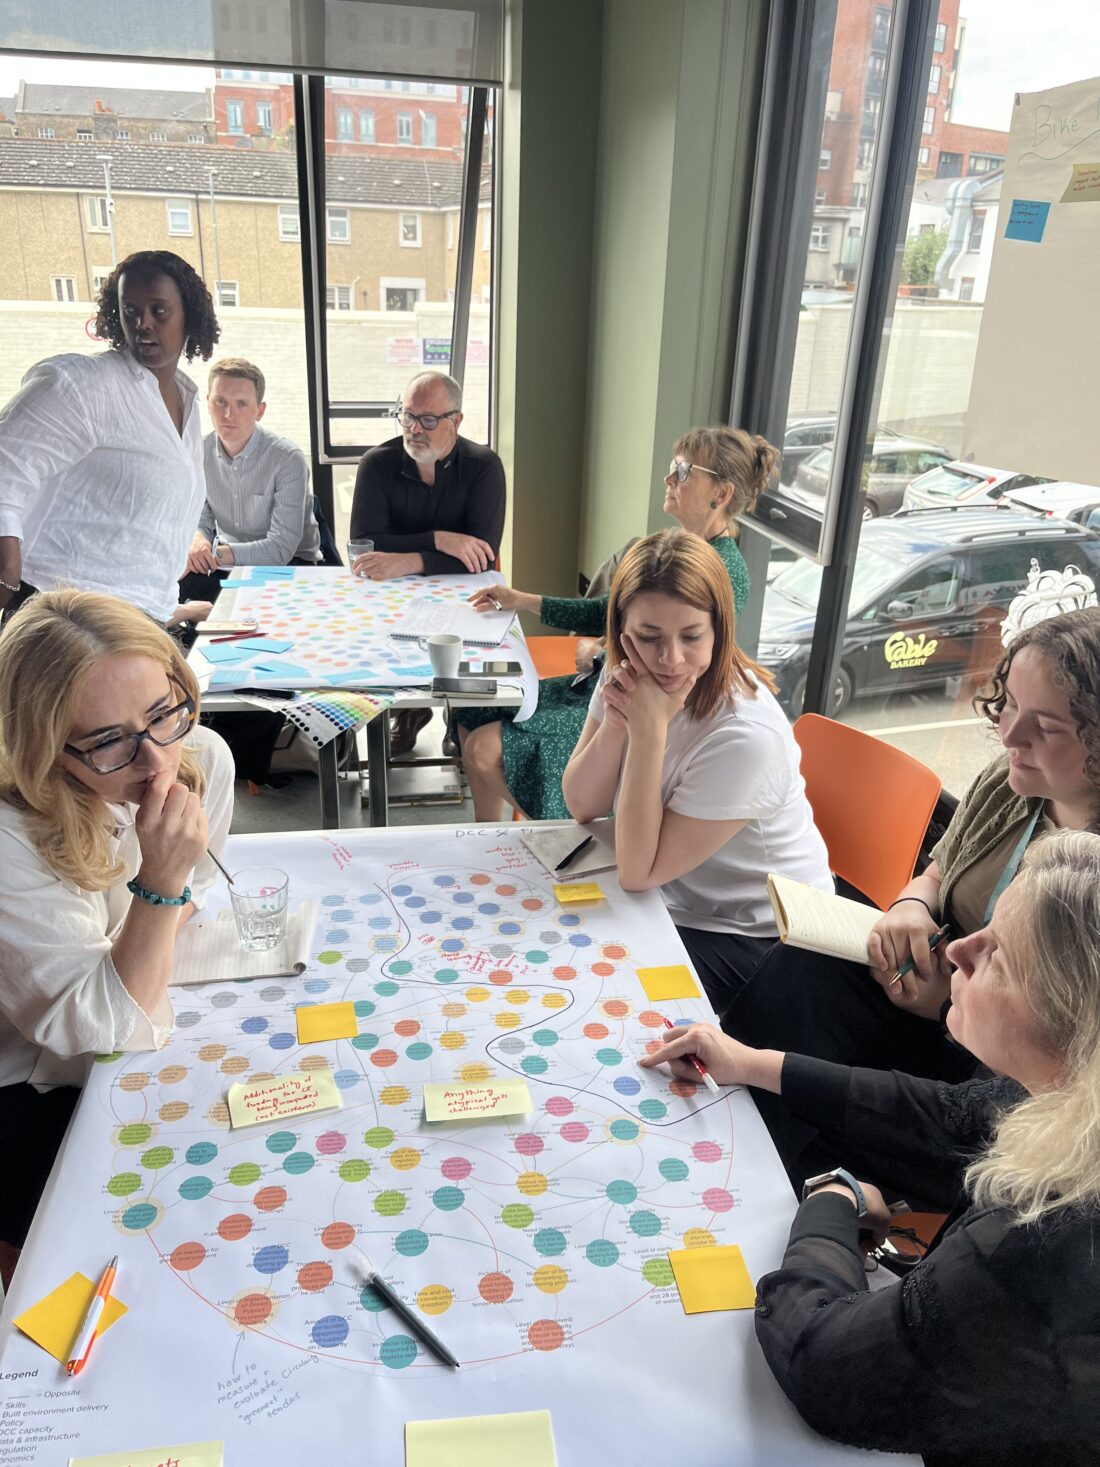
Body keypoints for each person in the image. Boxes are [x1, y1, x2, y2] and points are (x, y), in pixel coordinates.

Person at [642, 831, 1100, 1466]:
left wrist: (833, 1202)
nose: (958, 947)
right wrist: (752, 1063)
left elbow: (822, 1365)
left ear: (1071, 1020)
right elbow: (952, 1116)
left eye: (997, 957)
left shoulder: (1043, 1242)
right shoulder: (1070, 1097)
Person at [726, 606, 1100, 1180]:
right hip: (938, 993)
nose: (1009, 735)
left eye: (1043, 727)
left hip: (996, 1073)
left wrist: (951, 1005)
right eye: (1010, 706)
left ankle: (767, 1170)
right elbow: (938, 870)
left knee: (812, 1097)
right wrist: (910, 906)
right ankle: (724, 1114)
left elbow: (1051, 1068)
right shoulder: (1012, 783)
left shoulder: (1086, 882)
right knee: (802, 967)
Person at [0, 590, 234, 1249]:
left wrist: (147, 932)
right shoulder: (12, 834)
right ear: (43, 747)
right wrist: (158, 884)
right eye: (108, 742)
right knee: (125, 1243)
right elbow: (96, 1029)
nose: (158, 760)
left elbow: (196, 903)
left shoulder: (203, 758)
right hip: (29, 1084)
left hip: (126, 1034)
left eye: (164, 713)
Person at [562, 529, 831, 1004]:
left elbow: (638, 872)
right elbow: (582, 803)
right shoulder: (632, 668)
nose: (670, 659)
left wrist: (649, 731)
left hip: (765, 936)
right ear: (624, 634)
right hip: (681, 900)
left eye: (692, 637)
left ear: (719, 631)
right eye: (649, 637)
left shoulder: (747, 736)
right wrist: (618, 723)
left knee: (596, 987)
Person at [458, 427, 776, 821]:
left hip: (633, 703)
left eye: (683, 470)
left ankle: (559, 831)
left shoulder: (722, 569)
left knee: (484, 747)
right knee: (471, 711)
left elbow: (676, 670)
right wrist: (521, 601)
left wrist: (607, 650)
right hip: (604, 687)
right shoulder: (682, 547)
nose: (668, 479)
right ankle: (490, 835)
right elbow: (608, 611)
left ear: (721, 493)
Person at [0, 250, 220, 625]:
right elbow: (7, 461)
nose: (143, 324)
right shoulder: (86, 384)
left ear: (189, 317)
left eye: (159, 311)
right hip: (67, 621)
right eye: (130, 311)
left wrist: (171, 611)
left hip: (134, 621)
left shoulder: (188, 400)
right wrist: (7, 561)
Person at [349, 371, 507, 755]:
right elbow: (363, 547)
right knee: (378, 648)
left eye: (429, 420)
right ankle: (408, 709)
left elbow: (482, 556)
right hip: (389, 596)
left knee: (464, 646)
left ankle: (460, 717)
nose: (415, 429)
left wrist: (408, 559)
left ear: (456, 421)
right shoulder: (377, 464)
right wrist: (440, 540)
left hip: (462, 595)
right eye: (407, 416)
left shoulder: (484, 466)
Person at [182, 357, 320, 604]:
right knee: (173, 597)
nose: (228, 414)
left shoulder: (288, 458)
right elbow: (201, 518)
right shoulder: (197, 452)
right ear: (208, 402)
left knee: (248, 616)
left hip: (292, 567)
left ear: (260, 410)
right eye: (220, 401)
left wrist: (214, 556)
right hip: (226, 563)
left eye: (241, 404)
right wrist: (199, 540)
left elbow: (280, 549)